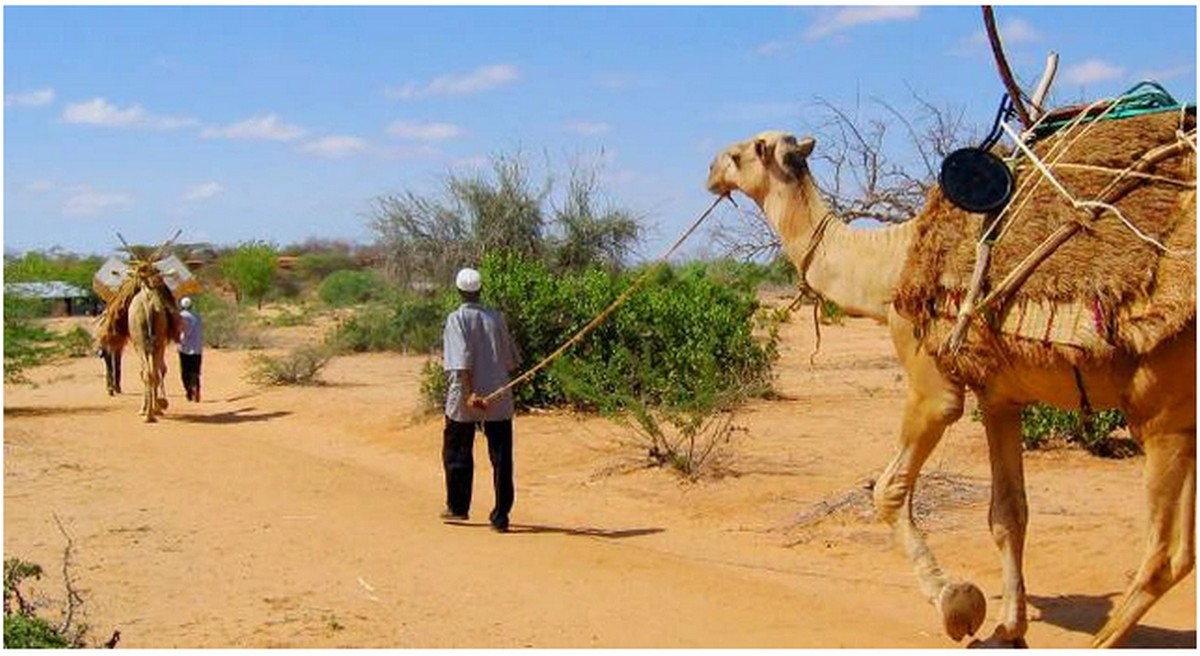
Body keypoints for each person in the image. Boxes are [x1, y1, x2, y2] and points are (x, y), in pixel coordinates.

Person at [440, 267, 522, 532]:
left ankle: (458, 507)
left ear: (459, 291)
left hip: (466, 398)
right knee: (501, 457)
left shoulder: (456, 319)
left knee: (457, 450)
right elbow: (510, 361)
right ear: (480, 290)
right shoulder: (496, 317)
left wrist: (470, 393)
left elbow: (460, 361)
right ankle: (501, 516)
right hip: (498, 394)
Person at [177, 296, 204, 402]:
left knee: (185, 371)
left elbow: (184, 333)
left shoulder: (181, 316)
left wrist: (180, 342)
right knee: (195, 371)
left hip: (185, 349)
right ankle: (196, 388)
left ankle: (188, 390)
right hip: (197, 348)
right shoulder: (197, 316)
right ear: (191, 305)